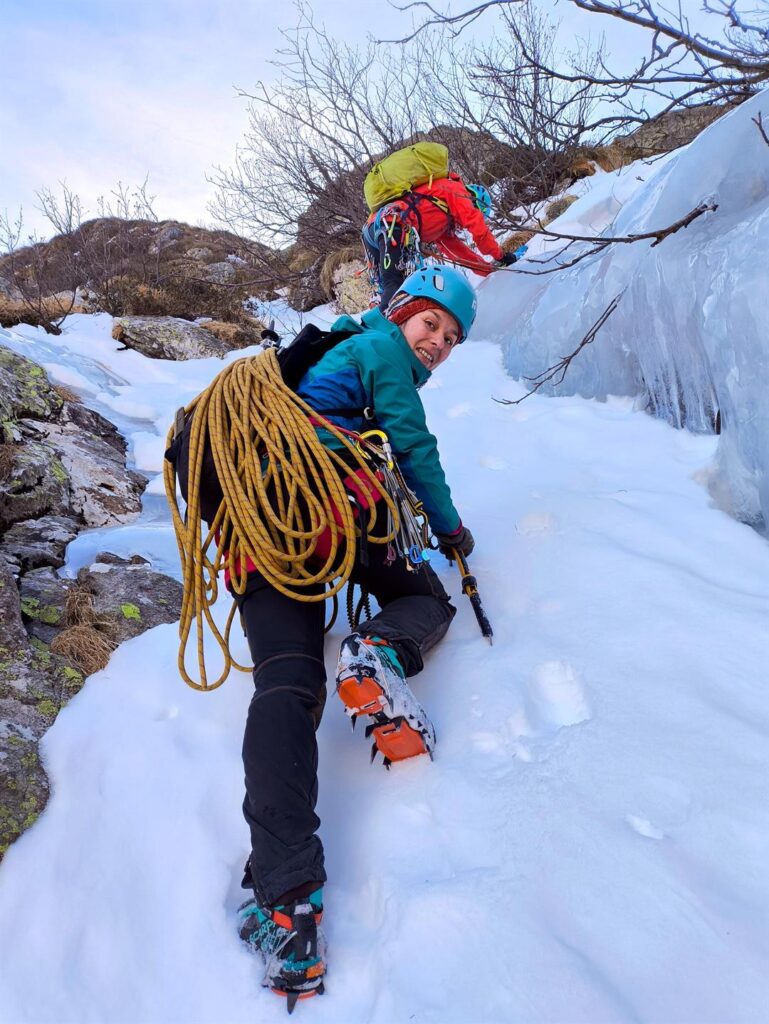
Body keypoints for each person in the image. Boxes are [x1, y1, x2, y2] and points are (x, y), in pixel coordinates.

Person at [234, 265, 478, 1007]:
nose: (436, 343)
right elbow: (413, 446)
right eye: (431, 324)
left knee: (286, 684)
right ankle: (376, 652)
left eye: (451, 336)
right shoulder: (381, 354)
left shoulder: (342, 347)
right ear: (400, 313)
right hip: (337, 499)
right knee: (421, 596)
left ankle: (288, 908)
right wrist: (450, 528)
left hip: (264, 521)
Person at [362, 176, 521, 308]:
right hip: (390, 225)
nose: (460, 225)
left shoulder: (441, 222)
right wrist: (501, 256)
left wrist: (489, 270)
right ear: (475, 202)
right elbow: (479, 230)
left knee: (397, 290)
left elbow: (460, 255)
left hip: (378, 230)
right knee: (394, 287)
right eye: (478, 212)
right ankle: (378, 333)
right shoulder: (457, 191)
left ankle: (378, 319)